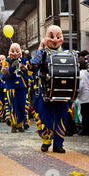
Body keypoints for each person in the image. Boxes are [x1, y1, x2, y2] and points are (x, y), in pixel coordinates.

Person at [30, 25, 69, 153]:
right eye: (51, 36)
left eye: (58, 37)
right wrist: (40, 48)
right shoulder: (42, 53)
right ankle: (46, 141)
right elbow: (34, 65)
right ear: (45, 37)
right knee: (45, 116)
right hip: (45, 90)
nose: (55, 40)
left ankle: (58, 144)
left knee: (61, 117)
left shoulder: (66, 54)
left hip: (62, 91)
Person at [2, 43, 29, 133]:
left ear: (20, 52)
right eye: (12, 51)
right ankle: (14, 125)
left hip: (22, 87)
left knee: (22, 107)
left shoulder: (24, 61)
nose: (15, 53)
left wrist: (25, 70)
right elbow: (3, 75)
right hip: (11, 87)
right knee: (13, 107)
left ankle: (20, 124)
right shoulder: (6, 61)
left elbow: (30, 75)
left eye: (17, 51)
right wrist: (11, 67)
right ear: (9, 52)